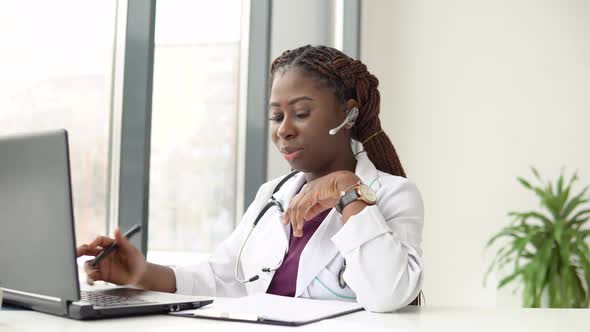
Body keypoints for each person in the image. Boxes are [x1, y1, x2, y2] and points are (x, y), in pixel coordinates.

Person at [77, 45, 424, 313]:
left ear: (348, 113)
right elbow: (221, 278)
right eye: (276, 116)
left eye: (301, 113)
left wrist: (349, 192)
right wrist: (141, 274)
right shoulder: (273, 195)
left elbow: (388, 295)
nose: (284, 130)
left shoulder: (394, 195)